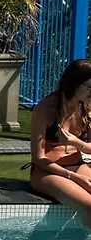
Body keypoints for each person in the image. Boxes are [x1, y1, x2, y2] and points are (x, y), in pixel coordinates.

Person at [29, 59, 91, 228]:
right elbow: (38, 158)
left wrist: (75, 142)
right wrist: (75, 178)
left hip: (77, 165)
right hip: (47, 172)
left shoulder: (86, 107)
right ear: (75, 83)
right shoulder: (45, 109)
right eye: (89, 87)